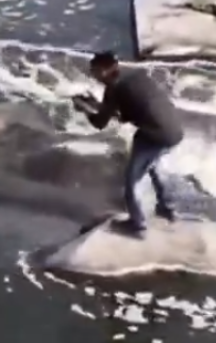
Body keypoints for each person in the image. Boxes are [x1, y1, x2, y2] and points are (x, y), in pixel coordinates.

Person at [73, 52, 182, 237]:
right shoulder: (136, 75)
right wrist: (98, 104)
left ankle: (138, 225)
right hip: (174, 130)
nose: (93, 75)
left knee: (132, 181)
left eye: (95, 71)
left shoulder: (113, 89)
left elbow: (99, 123)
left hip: (153, 135)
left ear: (106, 70)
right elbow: (128, 112)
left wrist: (84, 108)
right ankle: (167, 209)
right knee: (154, 167)